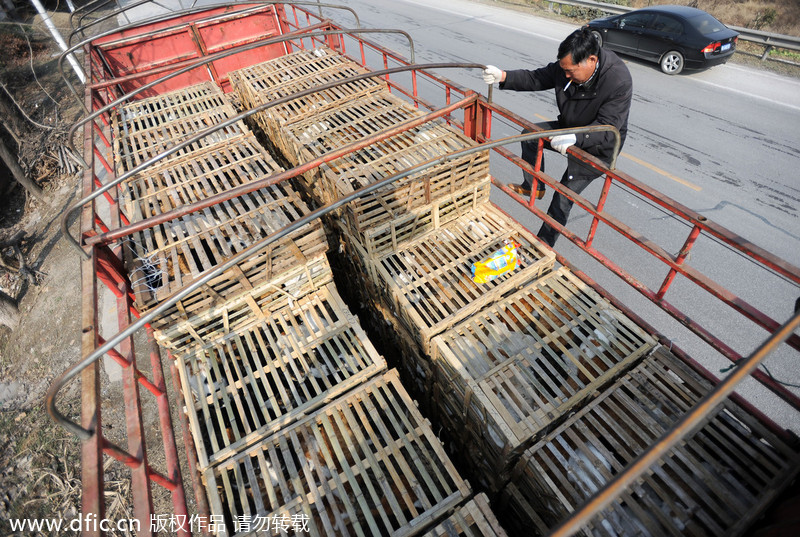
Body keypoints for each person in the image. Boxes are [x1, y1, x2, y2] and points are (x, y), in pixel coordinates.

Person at [482, 27, 632, 247]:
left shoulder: (618, 80)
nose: (567, 76)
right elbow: (537, 78)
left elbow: (608, 125)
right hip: (570, 126)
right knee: (530, 135)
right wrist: (504, 76)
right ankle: (535, 185)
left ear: (591, 60)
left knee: (562, 198)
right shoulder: (566, 68)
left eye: (571, 71)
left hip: (597, 145)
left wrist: (577, 138)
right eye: (564, 70)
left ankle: (541, 247)